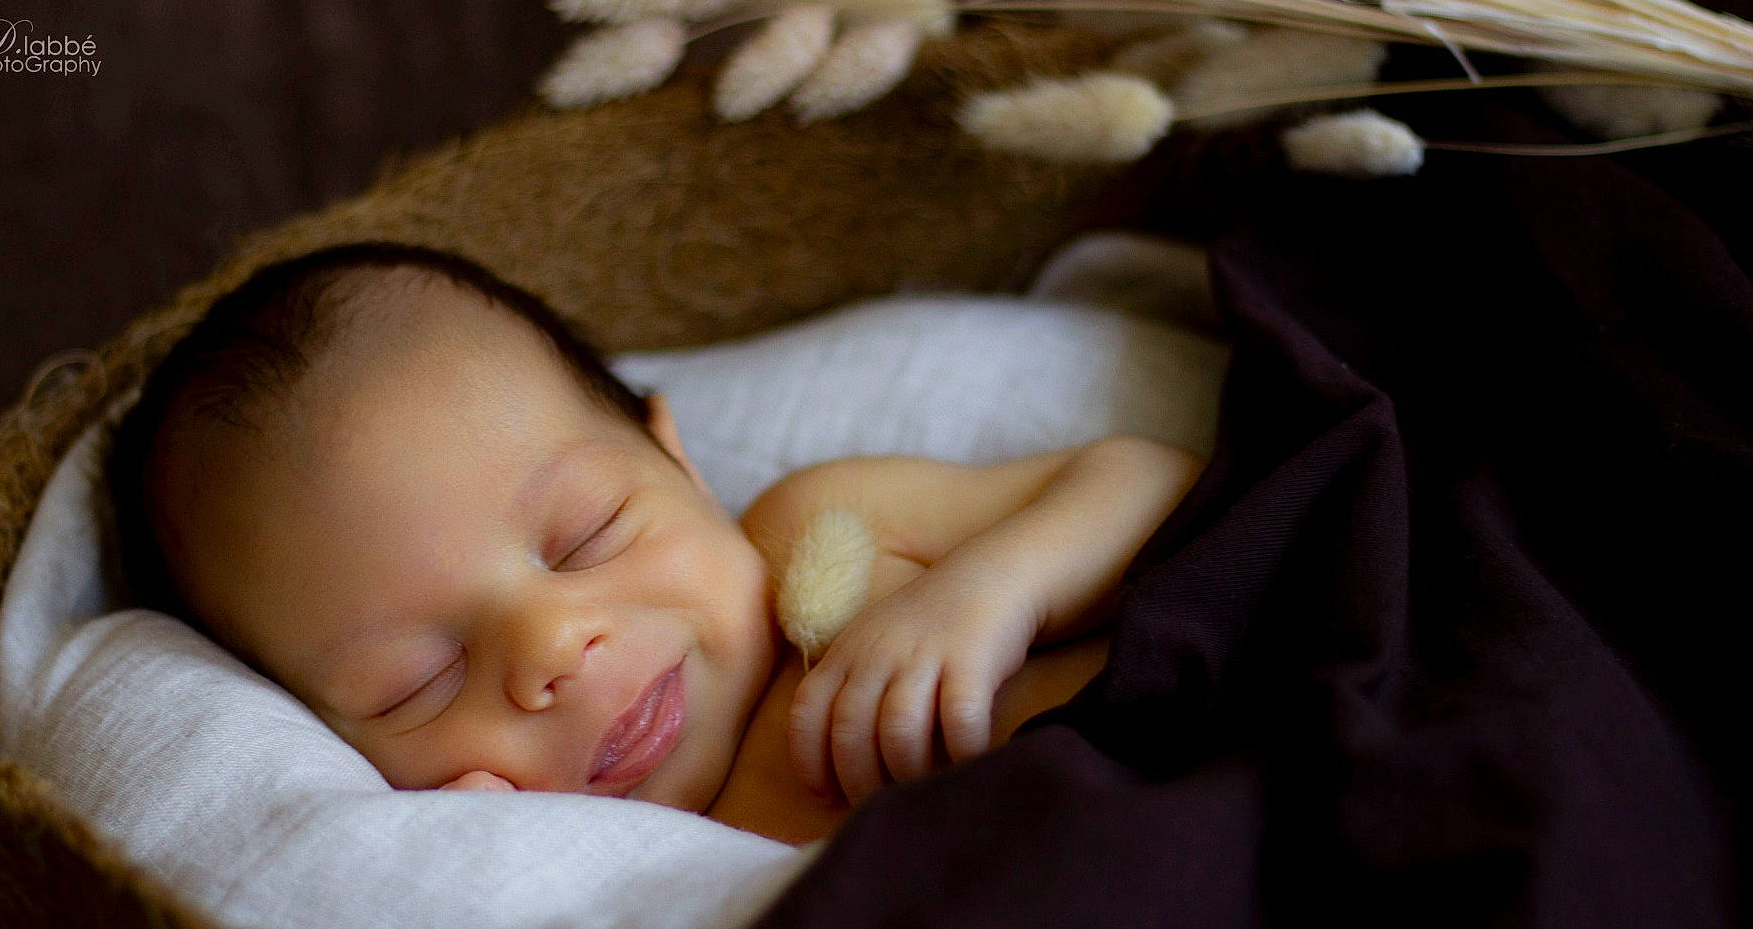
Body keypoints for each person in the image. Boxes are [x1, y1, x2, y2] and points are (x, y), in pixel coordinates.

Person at [107, 240, 1205, 845]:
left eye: (587, 535)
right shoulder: (590, 864)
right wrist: (490, 851)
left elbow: (1152, 484)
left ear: (673, 457)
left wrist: (990, 589)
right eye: (418, 684)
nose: (553, 646)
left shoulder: (825, 532)